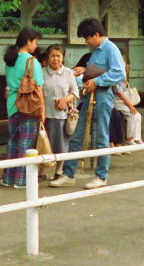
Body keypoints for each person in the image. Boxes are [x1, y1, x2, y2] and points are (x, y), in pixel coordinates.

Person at [51, 18, 125, 190]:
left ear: (96, 34)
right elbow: (99, 71)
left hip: (103, 96)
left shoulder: (110, 49)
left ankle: (101, 176)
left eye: (87, 38)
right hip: (89, 96)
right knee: (77, 135)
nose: (86, 41)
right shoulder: (96, 51)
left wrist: (97, 81)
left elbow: (119, 73)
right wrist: (85, 72)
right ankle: (69, 174)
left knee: (101, 136)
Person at [1, 27, 44, 188]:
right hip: (28, 106)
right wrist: (42, 110)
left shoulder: (10, 60)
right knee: (26, 143)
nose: (36, 46)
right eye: (35, 42)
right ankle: (21, 180)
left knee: (13, 141)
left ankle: (8, 178)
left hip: (12, 105)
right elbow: (38, 88)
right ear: (29, 41)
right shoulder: (32, 62)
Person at [41, 44, 78, 179]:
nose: (55, 59)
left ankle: (58, 171)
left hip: (63, 116)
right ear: (48, 57)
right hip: (46, 115)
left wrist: (65, 99)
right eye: (52, 56)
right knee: (45, 144)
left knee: (62, 144)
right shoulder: (41, 72)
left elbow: (75, 91)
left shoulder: (68, 73)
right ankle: (42, 172)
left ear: (63, 57)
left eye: (58, 56)